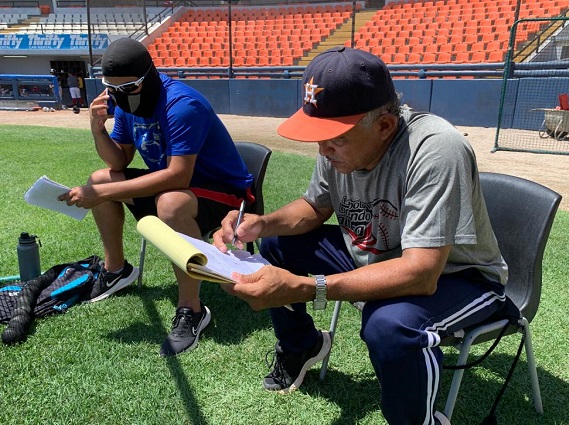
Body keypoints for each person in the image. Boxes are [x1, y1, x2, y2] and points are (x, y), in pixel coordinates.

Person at [213, 47, 508, 425]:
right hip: (380, 255)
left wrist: (308, 287)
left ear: (384, 126)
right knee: (276, 244)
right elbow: (315, 207)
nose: (322, 149)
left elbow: (421, 272)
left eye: (335, 138)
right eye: (319, 136)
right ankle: (303, 346)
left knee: (389, 326)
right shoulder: (340, 141)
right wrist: (262, 224)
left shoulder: (436, 148)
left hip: (461, 276)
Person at [59, 38, 255, 357]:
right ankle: (116, 270)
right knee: (100, 178)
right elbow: (118, 162)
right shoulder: (125, 102)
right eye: (113, 89)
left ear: (148, 76)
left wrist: (101, 193)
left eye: (129, 87)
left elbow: (179, 175)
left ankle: (192, 309)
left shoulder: (180, 104)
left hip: (226, 196)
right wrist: (98, 130)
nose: (120, 96)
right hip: (178, 189)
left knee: (168, 202)